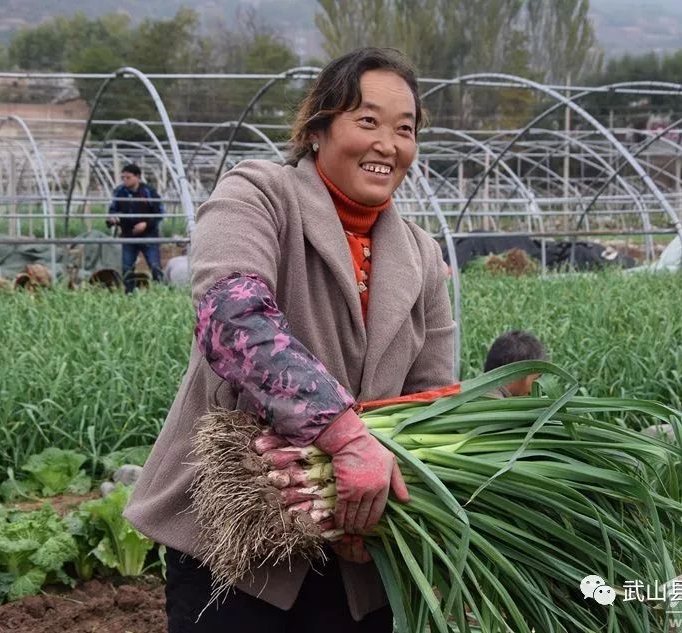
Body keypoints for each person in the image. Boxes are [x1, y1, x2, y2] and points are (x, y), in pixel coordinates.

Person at [124, 48, 455, 632]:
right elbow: (232, 318)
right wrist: (344, 437)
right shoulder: (258, 194)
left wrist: (391, 512)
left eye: (405, 130)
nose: (388, 144)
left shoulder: (422, 256)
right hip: (234, 541)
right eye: (368, 121)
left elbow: (434, 400)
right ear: (318, 129)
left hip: (361, 557)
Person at [106, 164, 164, 293]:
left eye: (128, 177)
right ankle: (129, 293)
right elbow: (112, 210)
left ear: (137, 177)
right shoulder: (120, 192)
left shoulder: (148, 192)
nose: (125, 180)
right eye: (123, 177)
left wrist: (146, 224)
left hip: (149, 236)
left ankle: (161, 292)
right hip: (128, 236)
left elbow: (160, 213)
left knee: (155, 266)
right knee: (127, 267)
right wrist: (112, 219)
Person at [484, 329, 548, 397]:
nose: (532, 390)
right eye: (535, 379)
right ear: (515, 373)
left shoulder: (479, 391)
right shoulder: (496, 401)